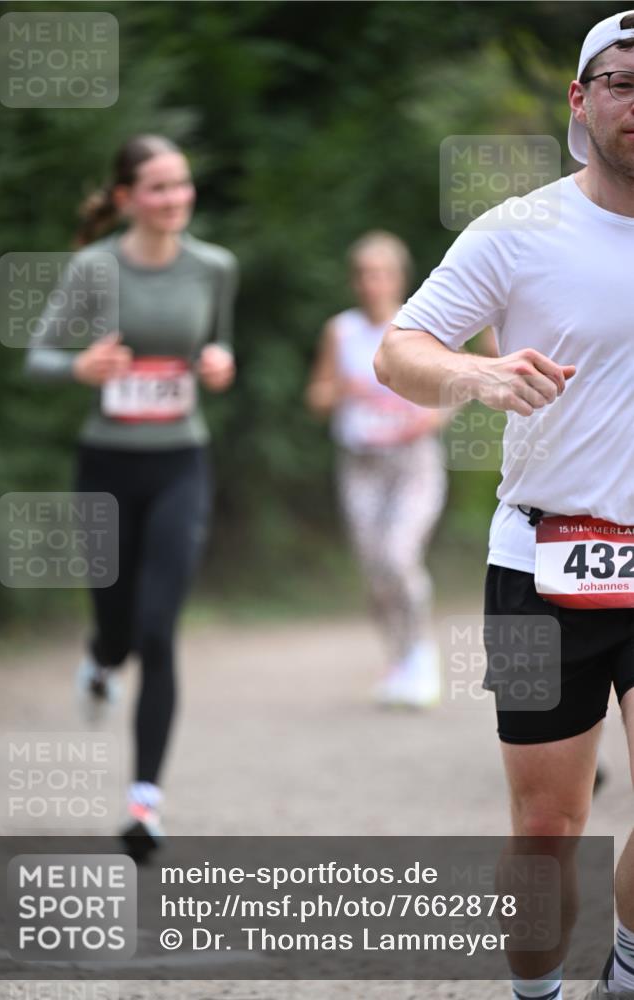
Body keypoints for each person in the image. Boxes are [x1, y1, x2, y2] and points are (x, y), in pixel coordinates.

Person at [374, 11, 633, 1000]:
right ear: (580, 99)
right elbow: (399, 349)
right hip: (538, 564)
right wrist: (476, 379)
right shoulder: (520, 229)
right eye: (619, 80)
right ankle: (535, 993)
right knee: (545, 828)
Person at [26, 134, 238, 859]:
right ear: (125, 198)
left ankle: (144, 802)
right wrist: (80, 366)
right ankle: (98, 657)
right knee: (117, 629)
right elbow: (39, 356)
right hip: (107, 464)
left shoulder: (215, 267)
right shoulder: (94, 267)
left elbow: (218, 351)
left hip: (181, 460)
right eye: (157, 188)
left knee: (157, 629)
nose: (174, 198)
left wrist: (217, 365)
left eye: (182, 185)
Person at [306, 232, 449, 707]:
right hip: (361, 463)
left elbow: (451, 387)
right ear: (354, 281)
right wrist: (342, 390)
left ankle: (422, 655)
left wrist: (430, 414)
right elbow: (317, 397)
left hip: (413, 463)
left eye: (382, 273)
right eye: (365, 274)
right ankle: (397, 659)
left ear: (399, 278)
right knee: (374, 569)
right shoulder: (341, 332)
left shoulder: (417, 325)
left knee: (398, 555)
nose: (373, 283)